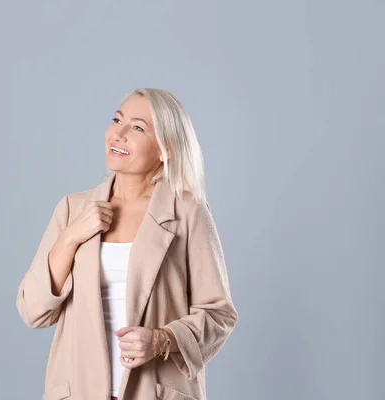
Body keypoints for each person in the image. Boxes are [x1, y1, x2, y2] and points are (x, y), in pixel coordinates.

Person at [16, 88, 238, 400]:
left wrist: (162, 339)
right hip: (77, 391)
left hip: (158, 391)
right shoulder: (72, 209)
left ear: (165, 149)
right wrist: (70, 238)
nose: (118, 134)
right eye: (117, 120)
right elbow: (33, 311)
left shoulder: (188, 211)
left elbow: (219, 314)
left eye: (137, 127)